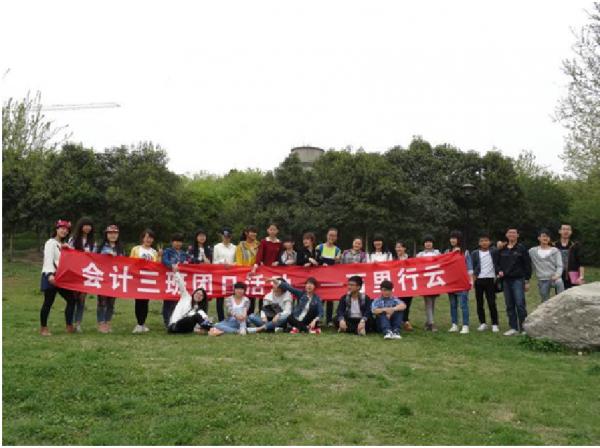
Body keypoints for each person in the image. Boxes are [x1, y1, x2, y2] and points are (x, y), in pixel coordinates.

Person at [39, 220, 76, 336]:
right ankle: (43, 327)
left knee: (71, 300)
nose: (64, 231)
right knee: (48, 302)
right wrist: (50, 274)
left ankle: (69, 325)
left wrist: (68, 249)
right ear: (56, 229)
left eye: (66, 230)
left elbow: (72, 259)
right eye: (62, 228)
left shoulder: (64, 244)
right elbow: (48, 259)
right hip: (51, 275)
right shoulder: (50, 243)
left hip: (62, 277)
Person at [498, 227, 532, 336]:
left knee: (520, 304)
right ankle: (513, 328)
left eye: (514, 233)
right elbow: (497, 262)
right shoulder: (502, 249)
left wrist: (527, 280)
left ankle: (524, 328)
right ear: (506, 235)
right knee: (509, 305)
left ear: (518, 235)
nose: (512, 234)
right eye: (510, 232)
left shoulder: (522, 248)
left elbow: (527, 265)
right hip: (506, 280)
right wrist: (499, 270)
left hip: (518, 279)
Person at [68, 217, 96, 332]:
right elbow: (69, 254)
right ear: (81, 226)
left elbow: (96, 257)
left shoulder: (93, 242)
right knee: (73, 298)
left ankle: (78, 323)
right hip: (75, 272)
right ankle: (70, 322)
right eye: (85, 225)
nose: (87, 228)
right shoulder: (73, 240)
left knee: (82, 299)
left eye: (89, 226)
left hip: (87, 273)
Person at [130, 229, 160, 334]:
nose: (149, 240)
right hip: (138, 279)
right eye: (147, 237)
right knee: (138, 301)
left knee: (146, 302)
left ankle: (142, 323)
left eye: (151, 238)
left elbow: (158, 266)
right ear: (142, 238)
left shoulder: (154, 252)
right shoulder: (136, 249)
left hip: (149, 280)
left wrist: (160, 256)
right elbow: (130, 262)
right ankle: (139, 323)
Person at [96, 225, 124, 334]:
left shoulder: (120, 248)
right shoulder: (100, 247)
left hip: (115, 278)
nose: (113, 235)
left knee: (111, 302)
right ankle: (101, 323)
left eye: (115, 233)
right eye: (110, 233)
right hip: (103, 278)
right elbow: (94, 259)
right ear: (106, 234)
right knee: (101, 301)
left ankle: (108, 322)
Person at [167, 267, 212, 334]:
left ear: (203, 299)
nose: (198, 296)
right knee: (195, 316)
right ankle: (211, 329)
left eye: (201, 295)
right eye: (197, 293)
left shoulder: (200, 310)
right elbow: (181, 285)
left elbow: (203, 319)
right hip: (174, 326)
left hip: (186, 329)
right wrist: (176, 273)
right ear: (194, 293)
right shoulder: (186, 297)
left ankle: (211, 328)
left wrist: (205, 324)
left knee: (199, 315)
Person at [445, 231, 473, 334]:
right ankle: (454, 324)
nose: (452, 240)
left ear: (459, 240)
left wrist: (471, 281)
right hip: (451, 282)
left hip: (462, 282)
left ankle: (465, 325)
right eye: (451, 238)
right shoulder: (447, 251)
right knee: (453, 304)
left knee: (463, 304)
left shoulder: (465, 252)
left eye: (455, 238)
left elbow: (469, 268)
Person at [471, 233, 500, 332]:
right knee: (479, 303)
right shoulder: (475, 253)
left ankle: (495, 324)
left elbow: (501, 248)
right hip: (478, 280)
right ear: (479, 243)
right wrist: (473, 279)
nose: (484, 243)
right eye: (482, 241)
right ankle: (482, 323)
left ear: (490, 242)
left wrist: (500, 244)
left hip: (490, 280)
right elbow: (472, 266)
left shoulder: (494, 251)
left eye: (486, 240)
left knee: (491, 302)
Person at [162, 233, 190, 328]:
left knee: (178, 301)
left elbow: (190, 261)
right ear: (172, 242)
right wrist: (171, 265)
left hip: (180, 280)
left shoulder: (184, 253)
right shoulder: (168, 251)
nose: (178, 243)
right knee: (168, 300)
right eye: (176, 241)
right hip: (169, 280)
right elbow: (164, 260)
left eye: (180, 241)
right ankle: (167, 321)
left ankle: (175, 320)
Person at [529, 228, 565, 302]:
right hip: (542, 279)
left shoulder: (555, 250)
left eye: (547, 236)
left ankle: (561, 301)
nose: (545, 238)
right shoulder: (532, 251)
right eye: (543, 236)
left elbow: (560, 265)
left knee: (559, 283)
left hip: (554, 278)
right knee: (545, 300)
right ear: (539, 238)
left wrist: (557, 275)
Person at [317, 228, 342, 326]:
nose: (332, 237)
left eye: (334, 236)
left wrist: (338, 261)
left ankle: (329, 320)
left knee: (330, 299)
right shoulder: (319, 247)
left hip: (331, 277)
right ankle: (318, 318)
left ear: (336, 238)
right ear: (327, 236)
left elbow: (338, 265)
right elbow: (316, 260)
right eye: (330, 235)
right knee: (320, 298)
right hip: (320, 276)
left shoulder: (337, 250)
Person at [416, 235, 441, 332]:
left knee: (432, 302)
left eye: (430, 242)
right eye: (426, 242)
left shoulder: (437, 253)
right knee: (428, 302)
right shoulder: (420, 255)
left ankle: (428, 322)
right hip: (425, 281)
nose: (428, 244)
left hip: (434, 280)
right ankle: (432, 323)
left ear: (433, 243)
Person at [212, 227, 237, 321]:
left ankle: (232, 318)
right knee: (220, 298)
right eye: (225, 236)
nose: (226, 238)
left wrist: (232, 264)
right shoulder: (217, 247)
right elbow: (214, 262)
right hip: (220, 274)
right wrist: (222, 262)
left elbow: (237, 261)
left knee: (232, 297)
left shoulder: (235, 247)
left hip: (231, 275)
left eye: (228, 236)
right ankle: (221, 319)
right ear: (222, 236)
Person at [235, 225, 260, 314]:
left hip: (256, 274)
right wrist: (245, 271)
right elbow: (239, 262)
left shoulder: (259, 245)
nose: (254, 234)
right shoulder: (241, 246)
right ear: (246, 233)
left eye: (255, 232)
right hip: (245, 275)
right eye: (252, 232)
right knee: (244, 297)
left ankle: (251, 317)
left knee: (253, 297)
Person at [555, 223, 585, 289]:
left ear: (571, 232)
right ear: (559, 231)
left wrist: (581, 277)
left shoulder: (576, 245)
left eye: (568, 229)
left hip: (573, 275)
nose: (566, 231)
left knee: (573, 294)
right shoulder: (554, 245)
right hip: (558, 275)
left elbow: (581, 262)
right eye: (564, 229)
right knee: (560, 294)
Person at [394, 241, 414, 332]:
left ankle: (405, 320)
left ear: (404, 248)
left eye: (400, 247)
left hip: (408, 284)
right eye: (397, 247)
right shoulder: (393, 259)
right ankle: (400, 321)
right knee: (398, 303)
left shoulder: (410, 259)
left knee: (407, 303)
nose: (398, 249)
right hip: (398, 285)